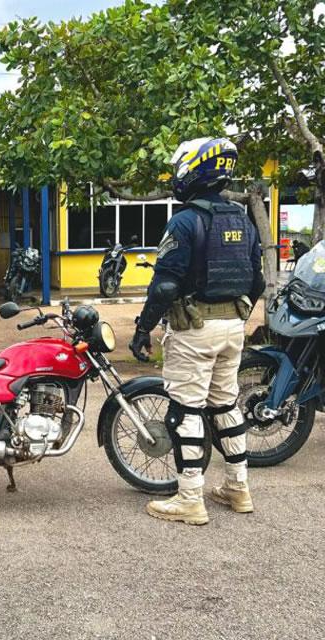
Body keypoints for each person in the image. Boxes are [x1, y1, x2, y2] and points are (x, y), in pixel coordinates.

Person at [129, 137, 265, 526]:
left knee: (185, 410)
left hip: (194, 329)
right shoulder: (242, 218)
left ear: (193, 170)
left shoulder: (186, 220)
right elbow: (255, 283)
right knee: (225, 404)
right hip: (232, 327)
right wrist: (236, 316)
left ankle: (190, 498)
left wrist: (143, 328)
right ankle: (238, 487)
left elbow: (165, 285)